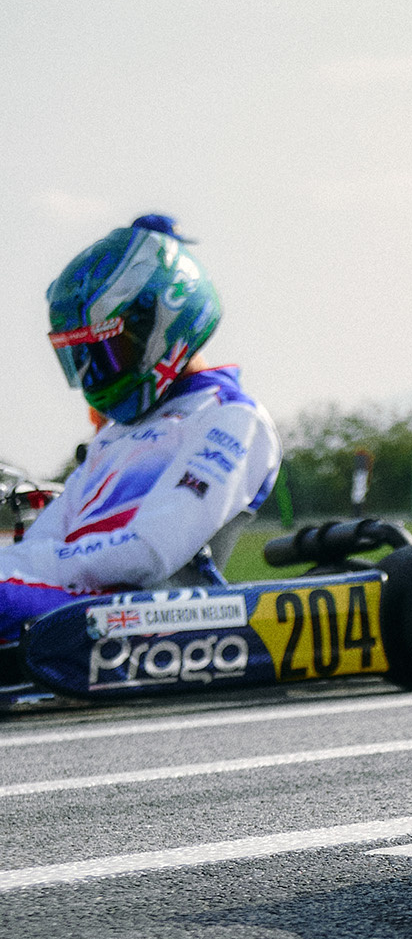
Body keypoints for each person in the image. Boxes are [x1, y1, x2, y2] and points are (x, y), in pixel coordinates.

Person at [1, 216, 281, 644]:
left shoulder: (232, 419)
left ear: (164, 325)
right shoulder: (117, 433)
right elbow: (40, 541)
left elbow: (151, 550)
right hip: (72, 602)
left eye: (106, 350)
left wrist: (29, 568)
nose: (94, 373)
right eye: (81, 357)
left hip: (147, 613)